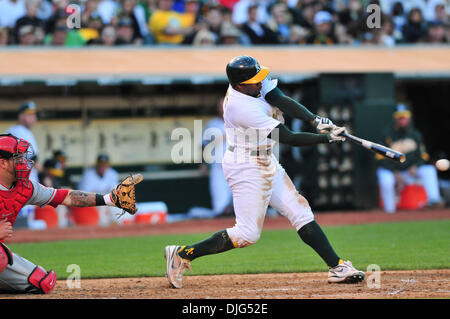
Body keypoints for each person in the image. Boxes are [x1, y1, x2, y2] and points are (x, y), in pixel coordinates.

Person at [164, 55, 365, 289]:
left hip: (265, 159)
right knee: (247, 234)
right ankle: (182, 254)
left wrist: (314, 120)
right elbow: (287, 137)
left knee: (300, 210)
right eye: (254, 81)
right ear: (239, 85)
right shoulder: (240, 107)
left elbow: (278, 97)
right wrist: (326, 138)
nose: (260, 83)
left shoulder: (252, 85)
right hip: (245, 166)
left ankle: (337, 266)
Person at [0, 133, 140, 294]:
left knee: (43, 282)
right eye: (18, 158)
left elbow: (66, 197)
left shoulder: (25, 188)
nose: (24, 163)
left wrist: (109, 199)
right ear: (3, 163)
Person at [376, 104, 444, 213]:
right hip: (393, 171)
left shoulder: (415, 134)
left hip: (409, 170)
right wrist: (394, 172)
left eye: (404, 116)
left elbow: (423, 156)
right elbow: (380, 158)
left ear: (409, 117)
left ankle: (434, 199)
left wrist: (416, 166)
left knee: (429, 170)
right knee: (386, 180)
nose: (402, 119)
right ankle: (389, 211)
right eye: (399, 117)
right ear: (395, 118)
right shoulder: (387, 134)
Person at [78, 154, 121, 226]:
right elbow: (84, 195)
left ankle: (117, 228)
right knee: (102, 206)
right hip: (91, 203)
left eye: (104, 164)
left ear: (108, 165)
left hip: (106, 201)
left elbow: (115, 192)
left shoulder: (112, 173)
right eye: (100, 164)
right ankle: (102, 230)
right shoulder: (88, 174)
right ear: (96, 165)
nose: (102, 167)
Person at [6, 101, 40, 183]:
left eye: (34, 114)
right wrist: (45, 174)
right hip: (25, 183)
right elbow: (34, 160)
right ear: (21, 116)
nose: (33, 117)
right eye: (29, 114)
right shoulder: (21, 131)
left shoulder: (12, 130)